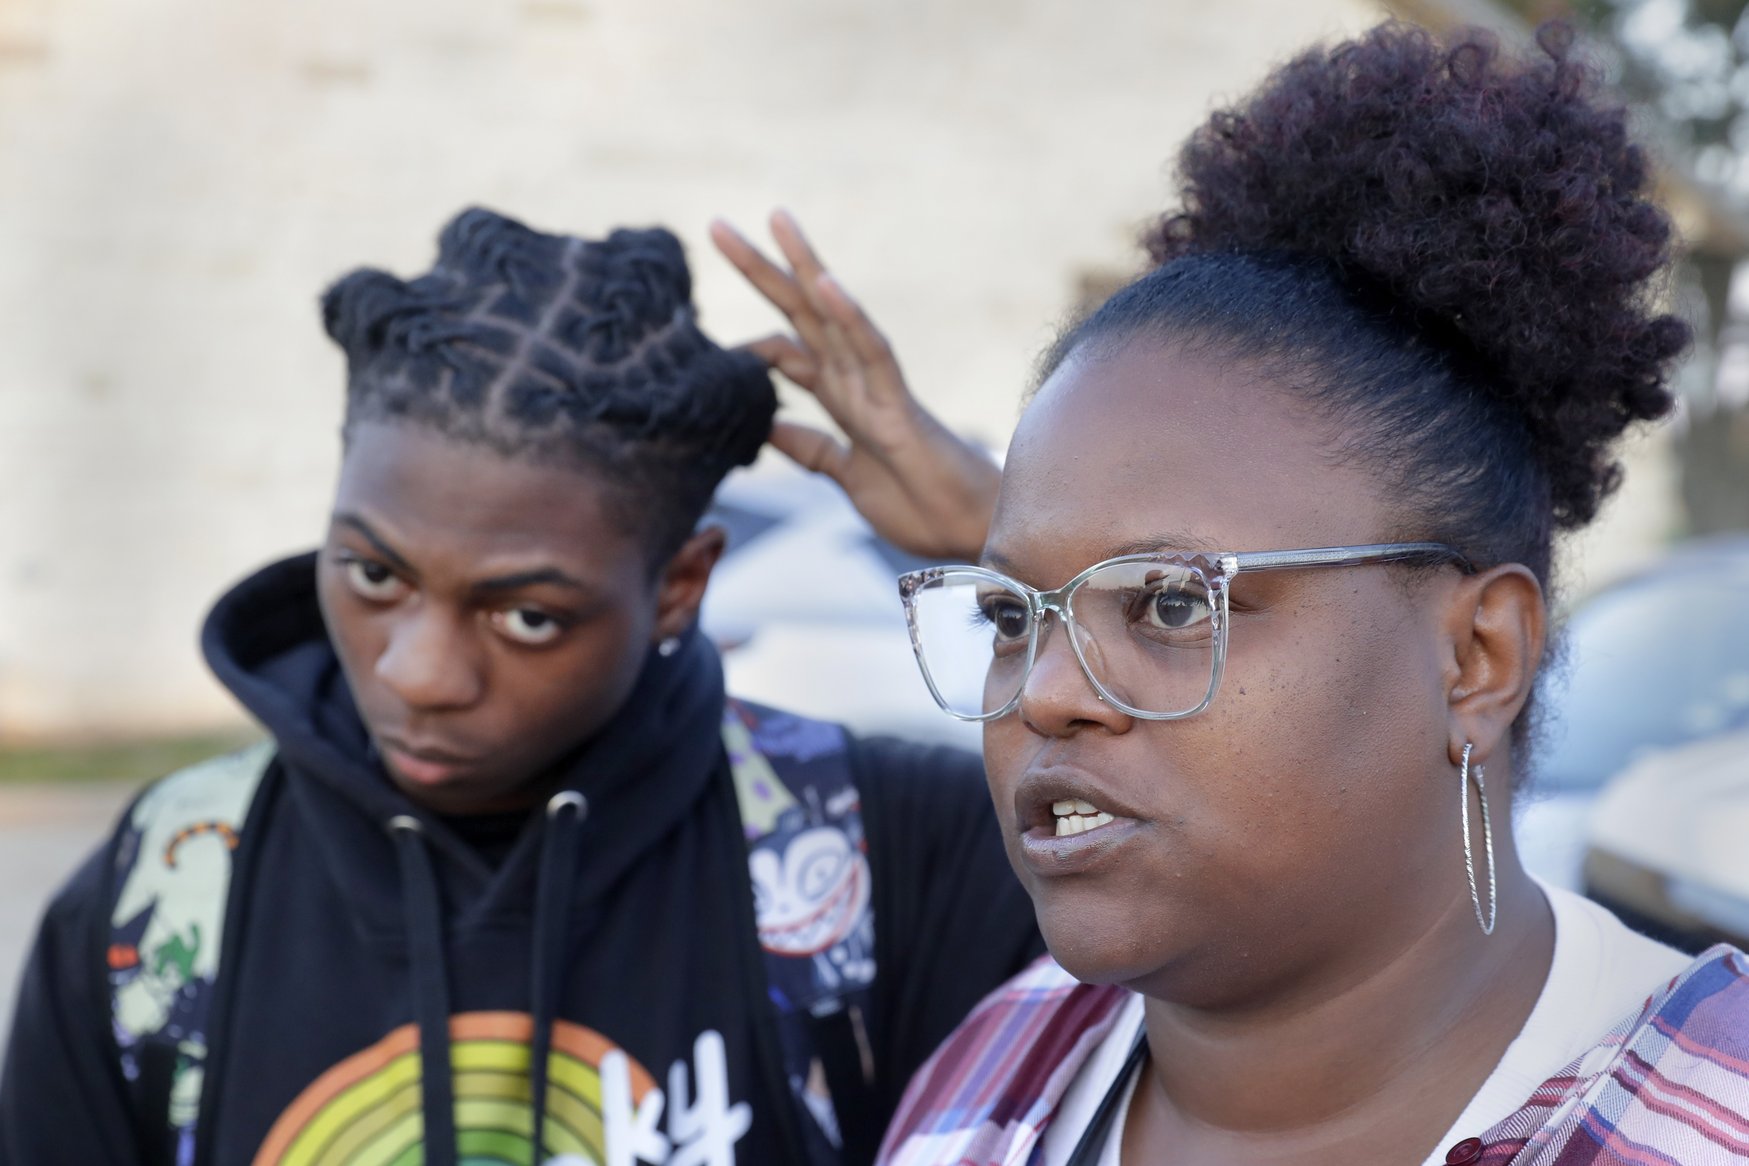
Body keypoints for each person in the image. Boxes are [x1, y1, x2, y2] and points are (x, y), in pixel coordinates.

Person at [715, 22, 1749, 1166]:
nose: (1046, 695)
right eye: (1012, 616)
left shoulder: (1700, 1123)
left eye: (1167, 602)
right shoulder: (993, 1079)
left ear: (1478, 659)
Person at [0, 208, 1041, 1166]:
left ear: (679, 586)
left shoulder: (882, 848)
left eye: (527, 615)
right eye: (374, 574)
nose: (418, 672)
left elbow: (1200, 988)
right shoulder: (171, 886)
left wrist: (1011, 543)